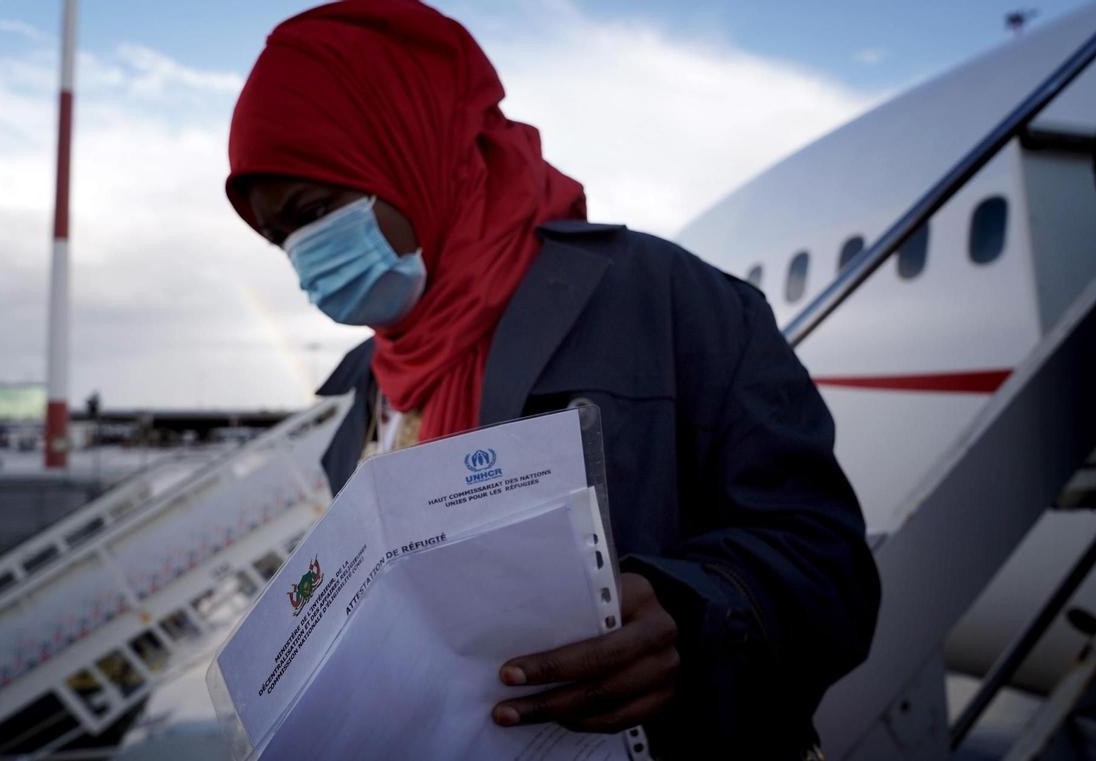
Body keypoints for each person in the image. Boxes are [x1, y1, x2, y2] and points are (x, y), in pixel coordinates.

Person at [224, 1, 880, 757]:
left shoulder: (666, 300)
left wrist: (688, 615)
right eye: (281, 239)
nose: (304, 259)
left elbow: (832, 571)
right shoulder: (370, 395)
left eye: (314, 212)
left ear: (407, 147)